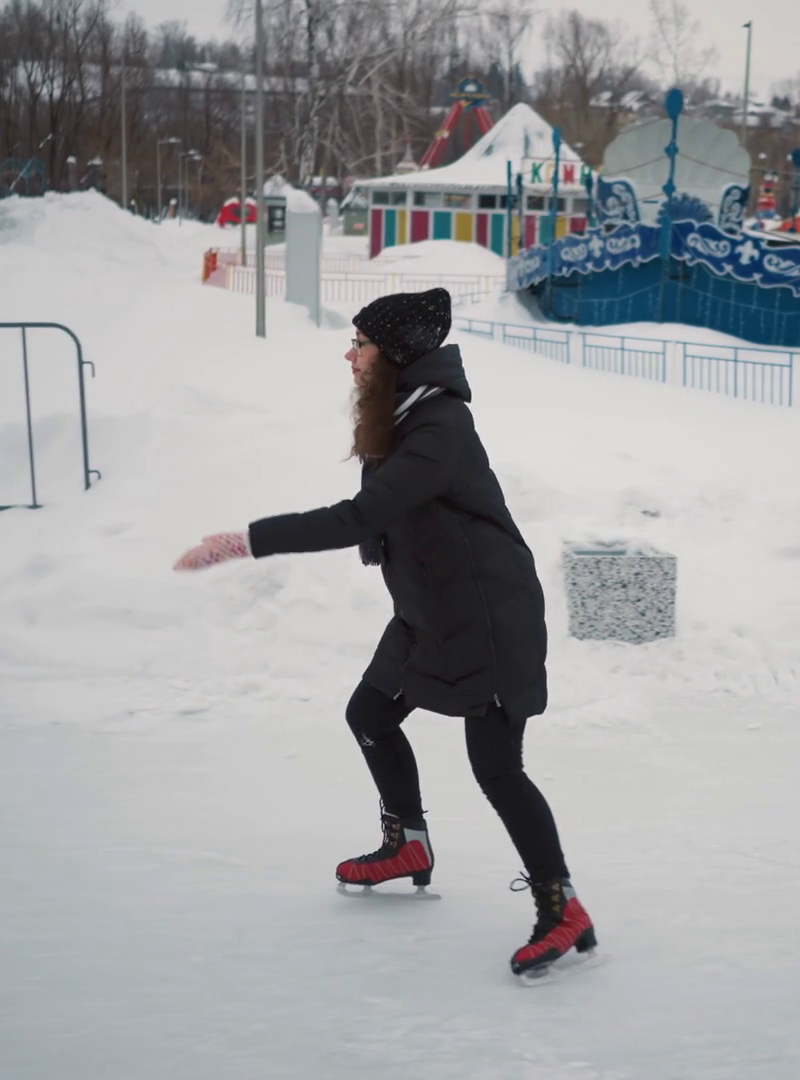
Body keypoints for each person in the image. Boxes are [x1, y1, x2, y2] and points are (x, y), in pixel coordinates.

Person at [172, 287, 596, 979]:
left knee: (497, 768)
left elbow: (360, 517)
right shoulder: (403, 413)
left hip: (489, 619)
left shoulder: (439, 428)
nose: (350, 356)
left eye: (361, 344)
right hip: (429, 612)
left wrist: (242, 542)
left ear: (395, 354)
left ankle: (562, 906)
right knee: (370, 713)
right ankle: (408, 843)